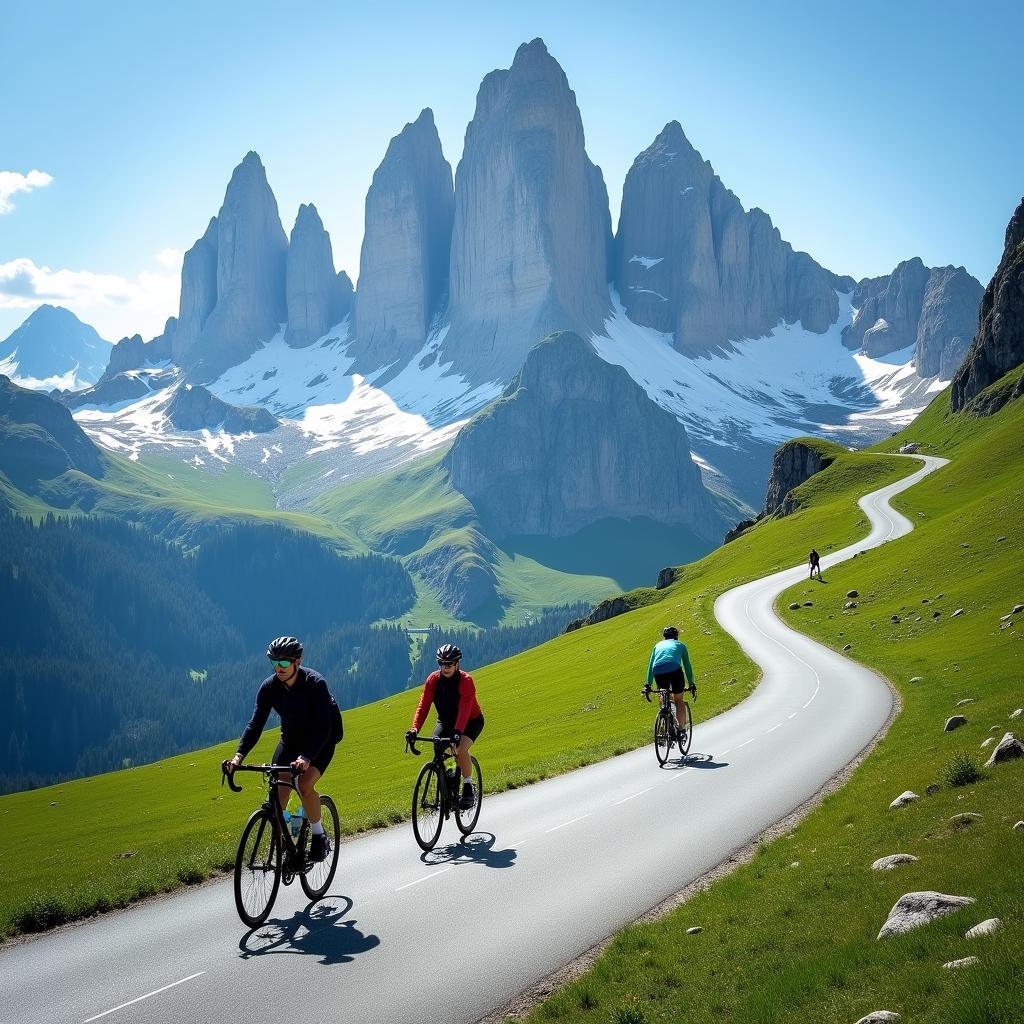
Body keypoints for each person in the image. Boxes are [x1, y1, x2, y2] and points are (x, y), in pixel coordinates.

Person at [225, 636, 343, 862]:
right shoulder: (269, 688)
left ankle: (319, 836)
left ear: (297, 662)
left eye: (284, 664)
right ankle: (288, 850)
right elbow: (255, 724)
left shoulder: (315, 683)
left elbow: (322, 727)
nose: (278, 669)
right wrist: (238, 756)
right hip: (291, 739)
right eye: (274, 663)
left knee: (304, 784)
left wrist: (307, 757)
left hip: (322, 738)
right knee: (278, 792)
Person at [405, 643, 484, 810]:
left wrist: (457, 733)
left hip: (471, 721)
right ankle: (450, 778)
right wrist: (414, 730)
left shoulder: (466, 681)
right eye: (441, 663)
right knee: (439, 747)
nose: (445, 667)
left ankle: (468, 786)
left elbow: (464, 709)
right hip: (446, 721)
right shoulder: (433, 680)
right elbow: (423, 706)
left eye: (449, 664)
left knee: (459, 748)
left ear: (457, 664)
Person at [645, 626, 696, 736]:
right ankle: (681, 729)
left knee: (663, 693)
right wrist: (691, 683)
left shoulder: (657, 645)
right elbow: (687, 666)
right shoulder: (680, 645)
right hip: (674, 670)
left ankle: (666, 718)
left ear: (664, 637)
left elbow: (650, 666)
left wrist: (648, 684)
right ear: (676, 636)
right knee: (678, 699)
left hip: (657, 670)